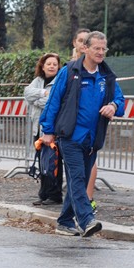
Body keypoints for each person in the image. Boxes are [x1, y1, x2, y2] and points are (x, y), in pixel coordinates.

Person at [40, 31, 124, 237]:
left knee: (82, 179)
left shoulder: (107, 76)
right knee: (77, 177)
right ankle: (86, 219)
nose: (101, 52)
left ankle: (64, 221)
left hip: (93, 138)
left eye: (104, 49)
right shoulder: (69, 72)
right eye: (97, 48)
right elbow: (54, 102)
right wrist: (47, 130)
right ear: (85, 48)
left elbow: (121, 101)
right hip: (70, 136)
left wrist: (113, 105)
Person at [24, 53, 63, 205]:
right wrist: (43, 93)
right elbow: (27, 93)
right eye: (49, 64)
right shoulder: (38, 81)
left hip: (52, 129)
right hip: (38, 129)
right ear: (43, 66)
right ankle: (44, 194)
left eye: (55, 64)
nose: (52, 66)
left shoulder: (60, 81)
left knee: (53, 163)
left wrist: (39, 100)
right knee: (42, 162)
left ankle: (55, 195)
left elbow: (54, 101)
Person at [71, 28, 98, 213]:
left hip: (89, 130)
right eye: (80, 40)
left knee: (85, 167)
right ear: (75, 43)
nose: (82, 44)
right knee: (75, 172)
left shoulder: (98, 68)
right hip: (70, 128)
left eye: (85, 41)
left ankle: (87, 201)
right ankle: (75, 210)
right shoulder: (70, 67)